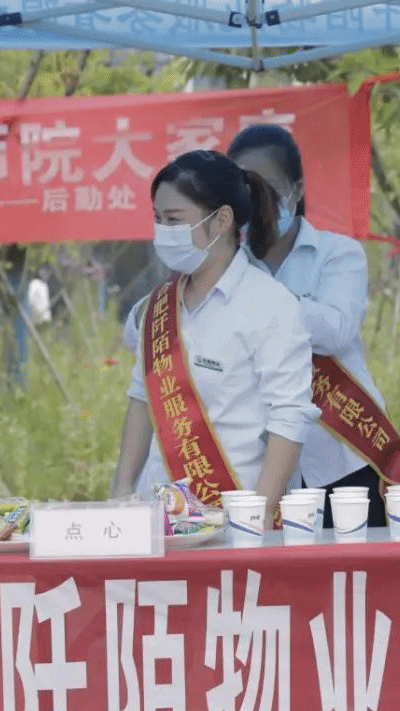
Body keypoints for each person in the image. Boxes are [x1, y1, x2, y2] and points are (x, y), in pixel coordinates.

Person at [111, 150, 320, 520]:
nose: (163, 232)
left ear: (222, 220)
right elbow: (141, 398)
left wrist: (256, 519)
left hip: (231, 515)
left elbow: (288, 420)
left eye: (174, 220)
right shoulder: (157, 307)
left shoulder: (271, 306)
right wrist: (121, 488)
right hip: (157, 518)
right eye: (158, 219)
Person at [226, 124, 400, 529]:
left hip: (341, 454)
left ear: (297, 189)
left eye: (269, 187)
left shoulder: (338, 254)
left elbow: (335, 330)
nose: (259, 199)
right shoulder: (227, 265)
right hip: (263, 462)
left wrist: (257, 296)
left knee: (355, 566)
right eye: (246, 188)